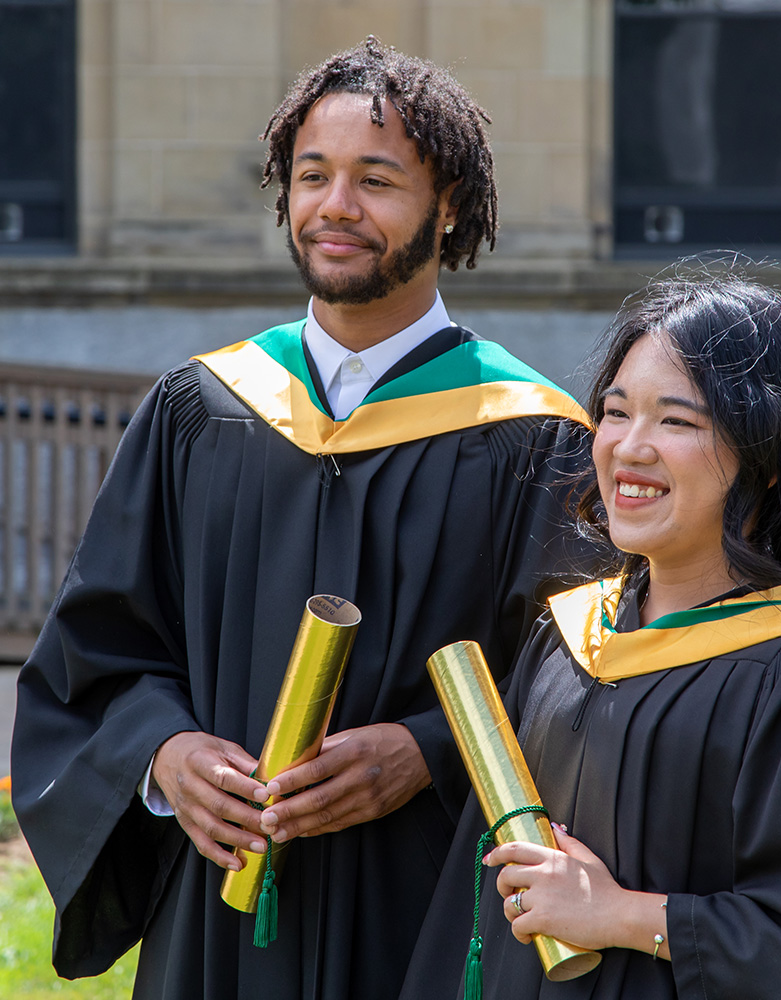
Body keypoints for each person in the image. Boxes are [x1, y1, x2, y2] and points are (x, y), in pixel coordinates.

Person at [11, 37, 599, 1000]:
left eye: (377, 180)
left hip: (427, 908)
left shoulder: (530, 438)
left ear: (447, 204)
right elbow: (98, 651)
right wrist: (166, 756)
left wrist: (428, 754)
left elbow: (584, 689)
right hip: (220, 916)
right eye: (312, 175)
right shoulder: (204, 411)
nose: (336, 207)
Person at [401, 275, 781, 1000]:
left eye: (677, 422)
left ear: (764, 458)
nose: (630, 448)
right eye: (615, 414)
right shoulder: (568, 639)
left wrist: (619, 915)